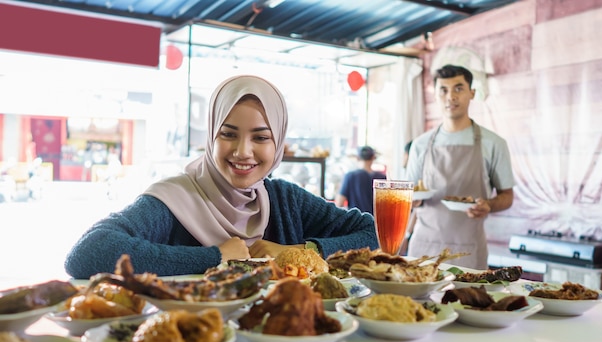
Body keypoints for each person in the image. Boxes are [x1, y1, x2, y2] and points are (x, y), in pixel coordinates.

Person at [64, 75, 379, 278]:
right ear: (210, 137)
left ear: (279, 143)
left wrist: (299, 251)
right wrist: (215, 257)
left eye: (260, 138)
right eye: (228, 134)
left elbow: (372, 233)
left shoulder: (284, 200)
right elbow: (87, 253)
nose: (243, 151)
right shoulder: (176, 199)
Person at [404, 64, 515, 269]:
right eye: (443, 90)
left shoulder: (494, 144)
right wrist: (411, 200)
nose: (450, 96)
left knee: (468, 301)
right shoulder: (420, 145)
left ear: (472, 93)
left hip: (468, 249)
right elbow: (409, 197)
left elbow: (507, 196)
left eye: (458, 88)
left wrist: (489, 205)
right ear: (435, 95)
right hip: (423, 247)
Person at [334, 145, 386, 214]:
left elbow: (339, 203)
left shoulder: (350, 176)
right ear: (373, 157)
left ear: (357, 158)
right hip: (375, 222)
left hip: (355, 222)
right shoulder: (382, 178)